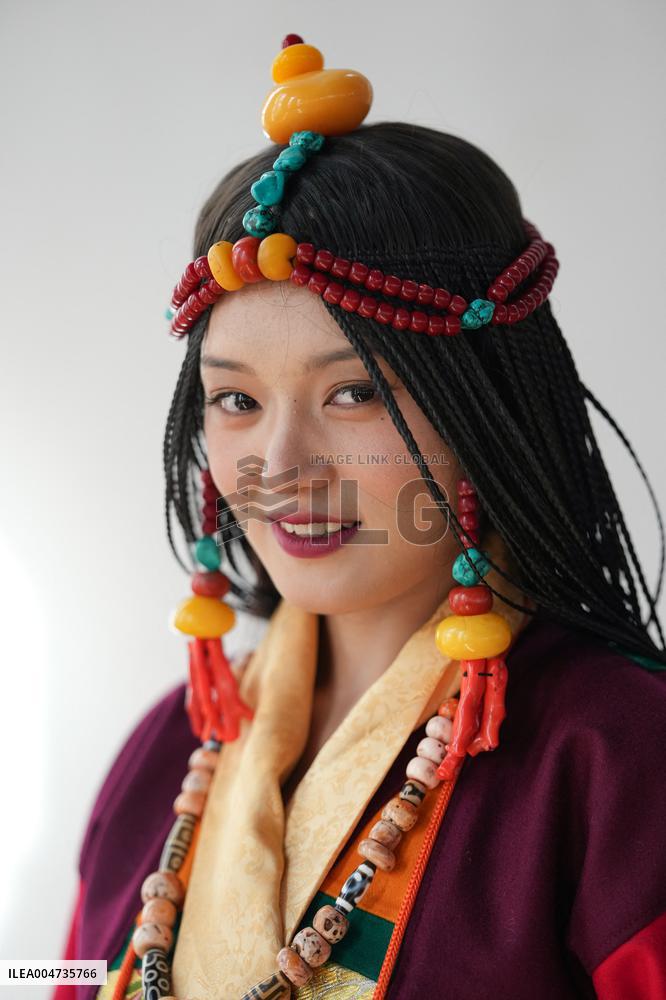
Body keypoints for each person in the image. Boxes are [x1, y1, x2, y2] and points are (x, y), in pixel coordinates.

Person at [53, 34, 666, 1000]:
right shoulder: (167, 749)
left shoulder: (615, 753)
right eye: (237, 401)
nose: (282, 468)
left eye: (354, 395)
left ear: (485, 409)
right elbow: (72, 969)